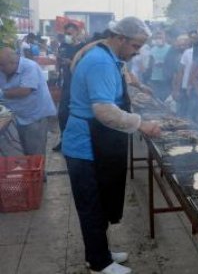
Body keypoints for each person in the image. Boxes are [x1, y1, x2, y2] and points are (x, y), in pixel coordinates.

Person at [62, 17, 161, 274]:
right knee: (92, 204)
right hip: (85, 145)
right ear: (120, 38)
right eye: (136, 45)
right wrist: (140, 123)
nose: (138, 51)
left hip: (97, 142)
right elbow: (104, 110)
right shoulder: (100, 62)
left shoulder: (107, 56)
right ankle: (99, 263)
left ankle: (98, 251)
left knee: (100, 201)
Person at [0, 47, 56, 155]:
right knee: (27, 151)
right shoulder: (4, 69)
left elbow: (25, 90)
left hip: (35, 116)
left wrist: (2, 93)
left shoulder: (29, 67)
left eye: (2, 65)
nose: (0, 68)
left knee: (35, 154)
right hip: (20, 115)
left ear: (13, 63)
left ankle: (37, 172)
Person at [54, 23, 86, 151]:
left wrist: (71, 62)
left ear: (77, 32)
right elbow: (59, 63)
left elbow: (85, 65)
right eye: (66, 33)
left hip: (79, 84)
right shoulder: (63, 46)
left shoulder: (83, 47)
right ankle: (64, 140)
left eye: (70, 33)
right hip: (66, 82)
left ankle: (77, 141)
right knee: (62, 113)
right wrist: (58, 62)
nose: (68, 36)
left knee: (78, 113)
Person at [146, 31, 171, 101]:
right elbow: (150, 64)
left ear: (165, 38)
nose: (158, 39)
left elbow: (172, 63)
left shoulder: (170, 49)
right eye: (157, 38)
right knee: (156, 97)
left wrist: (163, 65)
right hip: (154, 77)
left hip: (166, 78)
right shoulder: (153, 49)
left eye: (160, 37)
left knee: (165, 97)